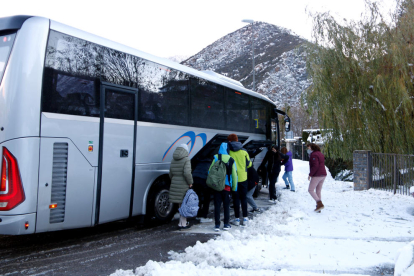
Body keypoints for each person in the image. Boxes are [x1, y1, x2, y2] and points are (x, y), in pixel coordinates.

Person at [208, 142, 238, 231]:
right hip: (227, 187)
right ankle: (226, 224)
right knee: (226, 205)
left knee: (217, 205)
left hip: (217, 186)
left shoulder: (216, 157)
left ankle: (217, 225)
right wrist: (234, 188)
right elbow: (234, 175)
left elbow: (210, 172)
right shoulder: (231, 159)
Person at [227, 133, 252, 227]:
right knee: (244, 198)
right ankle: (245, 218)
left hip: (234, 178)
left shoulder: (229, 152)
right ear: (237, 140)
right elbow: (249, 164)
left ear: (230, 141)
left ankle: (237, 219)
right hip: (243, 178)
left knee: (236, 199)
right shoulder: (244, 152)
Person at [169, 144, 193, 229]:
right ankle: (183, 223)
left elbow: (170, 173)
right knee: (184, 204)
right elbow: (187, 173)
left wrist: (174, 179)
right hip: (183, 183)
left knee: (180, 204)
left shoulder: (173, 159)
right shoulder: (186, 159)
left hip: (175, 182)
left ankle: (181, 222)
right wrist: (190, 182)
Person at [192, 158, 213, 223]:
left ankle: (198, 213)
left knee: (198, 197)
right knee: (207, 198)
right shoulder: (211, 163)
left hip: (195, 179)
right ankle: (204, 215)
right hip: (204, 179)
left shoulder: (199, 161)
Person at [307, 143, 327, 212]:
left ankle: (319, 203)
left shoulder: (314, 155)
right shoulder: (320, 153)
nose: (308, 149)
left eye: (309, 147)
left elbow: (315, 166)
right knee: (318, 191)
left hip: (317, 175)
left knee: (310, 190)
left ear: (312, 147)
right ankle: (319, 207)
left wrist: (310, 174)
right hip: (323, 174)